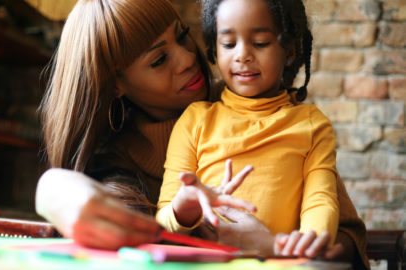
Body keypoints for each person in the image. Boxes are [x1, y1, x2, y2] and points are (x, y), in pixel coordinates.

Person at [34, 0, 369, 268]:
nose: (188, 58)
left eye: (182, 35)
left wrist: (274, 246)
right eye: (159, 59)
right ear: (115, 85)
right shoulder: (116, 164)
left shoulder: (268, 111)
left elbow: (346, 235)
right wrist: (52, 189)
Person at [156, 0, 368, 268]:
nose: (242, 55)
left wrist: (310, 241)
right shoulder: (195, 120)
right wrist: (183, 209)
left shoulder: (312, 125)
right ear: (214, 51)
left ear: (289, 51)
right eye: (229, 44)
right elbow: (163, 224)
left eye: (260, 43)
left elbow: (320, 199)